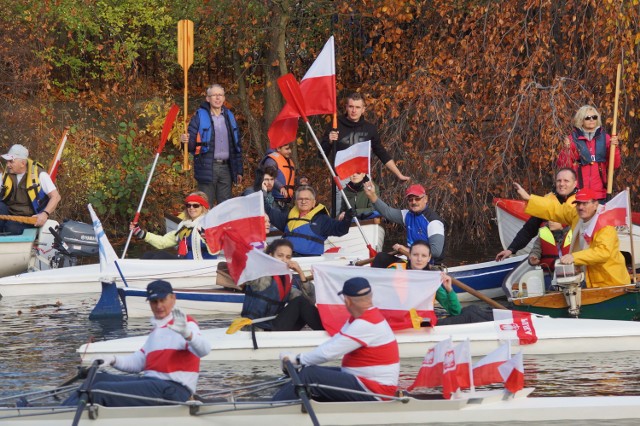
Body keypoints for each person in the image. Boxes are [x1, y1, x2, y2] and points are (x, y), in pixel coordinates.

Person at [63, 280, 211, 406]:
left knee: (99, 390)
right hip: (153, 384)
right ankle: (60, 411)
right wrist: (112, 359)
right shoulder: (157, 331)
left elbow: (204, 350)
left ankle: (61, 417)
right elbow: (138, 363)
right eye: (154, 301)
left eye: (162, 300)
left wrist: (187, 334)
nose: (158, 305)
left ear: (173, 298)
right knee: (96, 378)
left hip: (174, 390)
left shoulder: (184, 324)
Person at [273, 277, 399, 402]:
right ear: (370, 297)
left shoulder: (367, 324)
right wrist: (301, 361)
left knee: (309, 375)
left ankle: (273, 408)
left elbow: (328, 353)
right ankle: (286, 403)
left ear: (347, 300)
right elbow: (332, 344)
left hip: (376, 391)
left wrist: (297, 359)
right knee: (307, 370)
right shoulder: (361, 319)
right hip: (363, 382)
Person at [516, 184, 630, 288]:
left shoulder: (605, 225)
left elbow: (603, 252)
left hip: (611, 282)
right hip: (589, 280)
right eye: (578, 203)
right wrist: (529, 198)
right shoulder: (577, 215)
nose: (580, 207)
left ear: (595, 204)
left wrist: (574, 257)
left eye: (585, 203)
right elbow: (555, 209)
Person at [320, 92, 410, 215]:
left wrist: (398, 174)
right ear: (346, 107)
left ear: (363, 109)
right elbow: (321, 154)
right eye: (351, 106)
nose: (353, 110)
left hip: (363, 176)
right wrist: (329, 141)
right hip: (342, 176)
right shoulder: (335, 125)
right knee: (340, 214)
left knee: (367, 213)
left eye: (357, 107)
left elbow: (381, 152)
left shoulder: (369, 128)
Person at [389, 240, 494, 325]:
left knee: (472, 309)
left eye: (424, 256)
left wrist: (449, 289)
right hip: (403, 324)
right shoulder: (394, 270)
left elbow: (455, 312)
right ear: (409, 256)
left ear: (429, 258)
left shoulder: (431, 280)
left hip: (423, 323)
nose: (419, 259)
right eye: (415, 255)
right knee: (469, 316)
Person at [496, 168, 578, 261]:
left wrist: (562, 228)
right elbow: (529, 229)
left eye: (566, 181)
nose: (561, 184)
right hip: (550, 264)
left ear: (575, 183)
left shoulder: (582, 203)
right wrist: (511, 249)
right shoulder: (546, 200)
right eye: (559, 180)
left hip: (574, 260)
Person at [181, 84, 243, 206]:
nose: (217, 98)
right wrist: (185, 141)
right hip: (207, 167)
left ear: (224, 98)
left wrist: (239, 170)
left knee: (225, 207)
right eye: (214, 95)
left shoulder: (229, 117)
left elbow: (236, 146)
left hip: (226, 169)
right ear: (208, 98)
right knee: (205, 205)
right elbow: (191, 145)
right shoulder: (199, 117)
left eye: (220, 95)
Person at [241, 239, 323, 331]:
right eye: (280, 256)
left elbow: (309, 302)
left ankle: (326, 330)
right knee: (300, 302)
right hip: (257, 327)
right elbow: (245, 268)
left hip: (272, 325)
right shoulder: (260, 274)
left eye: (288, 257)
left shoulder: (285, 279)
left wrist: (300, 273)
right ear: (270, 255)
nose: (284, 260)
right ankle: (326, 332)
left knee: (301, 301)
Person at [363, 182, 446, 265]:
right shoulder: (407, 215)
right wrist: (372, 195)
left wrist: (407, 250)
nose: (413, 202)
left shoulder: (434, 222)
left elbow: (436, 252)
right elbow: (387, 212)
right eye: (410, 199)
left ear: (426, 199)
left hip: (429, 266)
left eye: (417, 198)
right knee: (381, 258)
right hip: (412, 262)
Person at [266, 185, 354, 256]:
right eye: (300, 199)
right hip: (288, 258)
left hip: (308, 260)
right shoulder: (289, 217)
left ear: (313, 202)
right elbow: (268, 211)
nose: (303, 202)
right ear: (296, 202)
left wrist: (347, 218)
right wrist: (259, 189)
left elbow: (341, 229)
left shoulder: (322, 220)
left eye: (307, 199)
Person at [557, 105, 621, 201]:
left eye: (594, 117)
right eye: (587, 118)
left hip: (600, 194)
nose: (591, 120)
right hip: (578, 195)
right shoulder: (572, 139)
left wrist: (614, 148)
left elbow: (615, 165)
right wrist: (566, 150)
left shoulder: (606, 138)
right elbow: (564, 166)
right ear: (581, 120)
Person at [130, 192, 217, 259]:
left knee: (161, 255)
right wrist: (140, 233)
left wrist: (208, 239)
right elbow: (162, 242)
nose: (191, 208)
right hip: (184, 263)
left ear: (203, 207)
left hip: (201, 265)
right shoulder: (184, 226)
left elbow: (216, 250)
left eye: (195, 205)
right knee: (148, 255)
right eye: (188, 205)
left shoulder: (209, 226)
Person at [0, 144, 61, 235]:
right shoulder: (6, 174)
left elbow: (56, 197)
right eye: (7, 161)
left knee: (10, 228)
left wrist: (44, 214)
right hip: (9, 213)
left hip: (29, 217)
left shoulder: (40, 175)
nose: (8, 164)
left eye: (11, 161)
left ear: (22, 163)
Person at [256, 142, 296, 210]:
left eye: (290, 149)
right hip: (273, 199)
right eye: (287, 149)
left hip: (285, 200)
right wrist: (280, 187)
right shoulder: (271, 161)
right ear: (278, 149)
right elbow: (269, 177)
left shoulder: (288, 161)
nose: (290, 151)